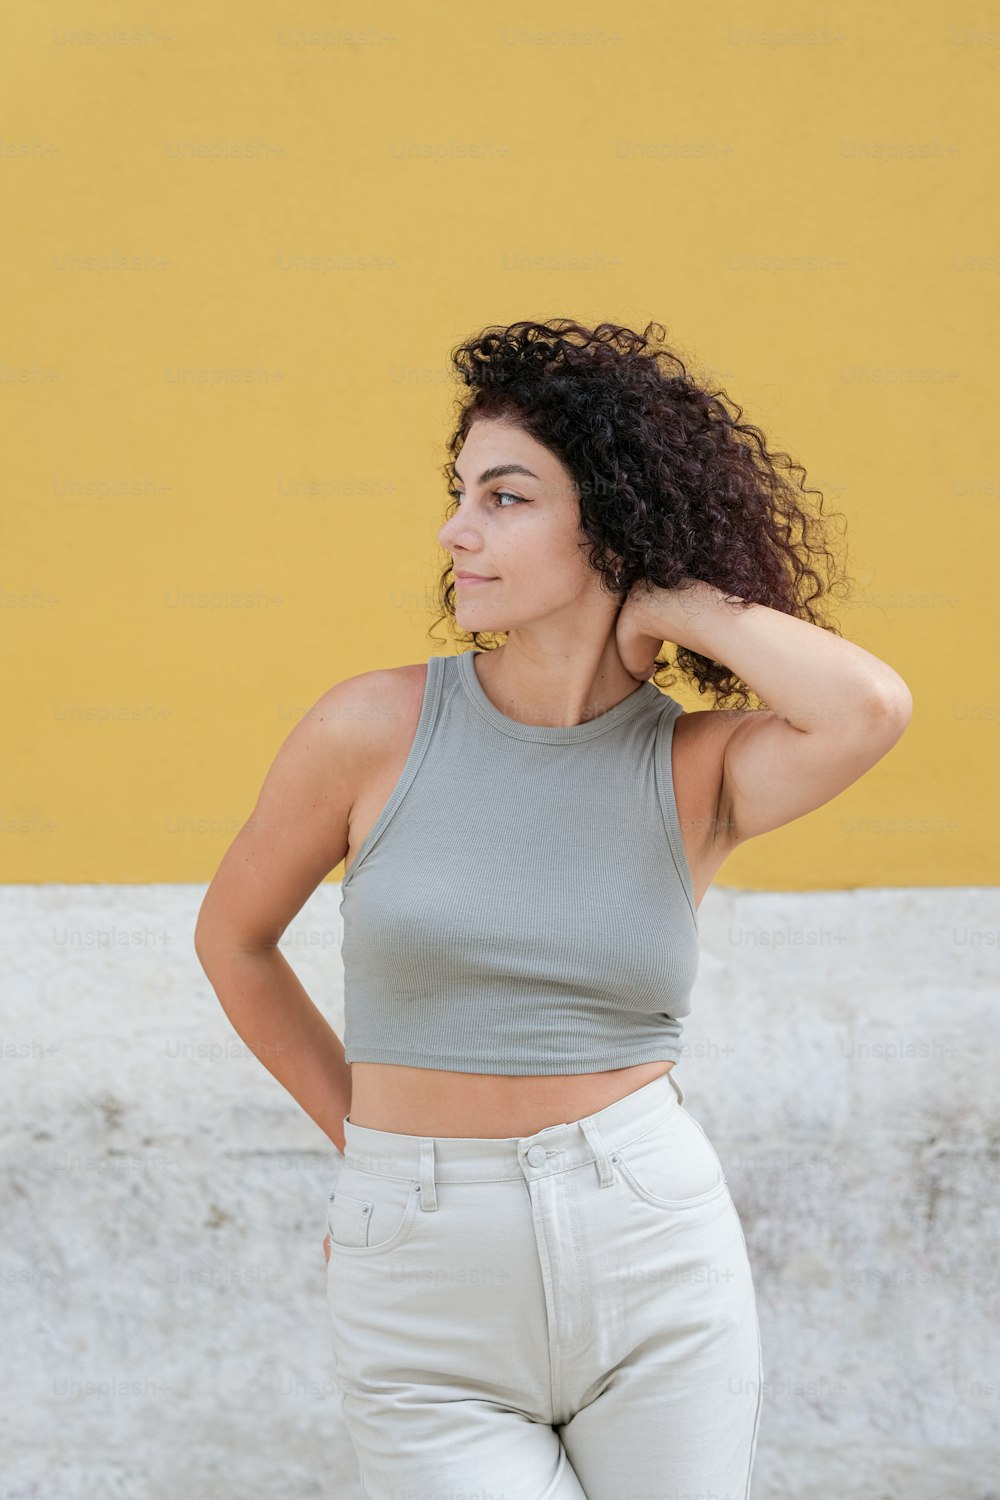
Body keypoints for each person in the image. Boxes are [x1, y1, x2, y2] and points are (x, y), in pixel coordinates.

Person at [195, 318, 913, 1499]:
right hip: (417, 1259)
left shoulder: (699, 768)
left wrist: (669, 598)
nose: (454, 530)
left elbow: (868, 707)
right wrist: (362, 1148)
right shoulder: (369, 729)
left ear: (611, 519)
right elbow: (232, 940)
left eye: (505, 496)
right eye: (459, 491)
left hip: (651, 1240)